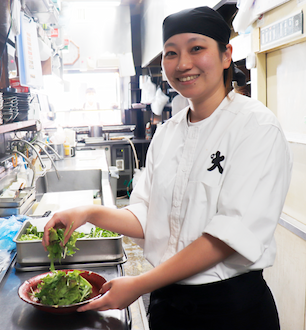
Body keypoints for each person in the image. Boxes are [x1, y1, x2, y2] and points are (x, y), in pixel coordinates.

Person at [42, 6, 292, 330]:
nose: (183, 63)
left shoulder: (256, 127)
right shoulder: (167, 132)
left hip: (229, 309)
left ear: (226, 54)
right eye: (171, 53)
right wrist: (87, 213)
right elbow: (148, 216)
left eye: (196, 48)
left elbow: (227, 237)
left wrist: (139, 284)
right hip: (168, 306)